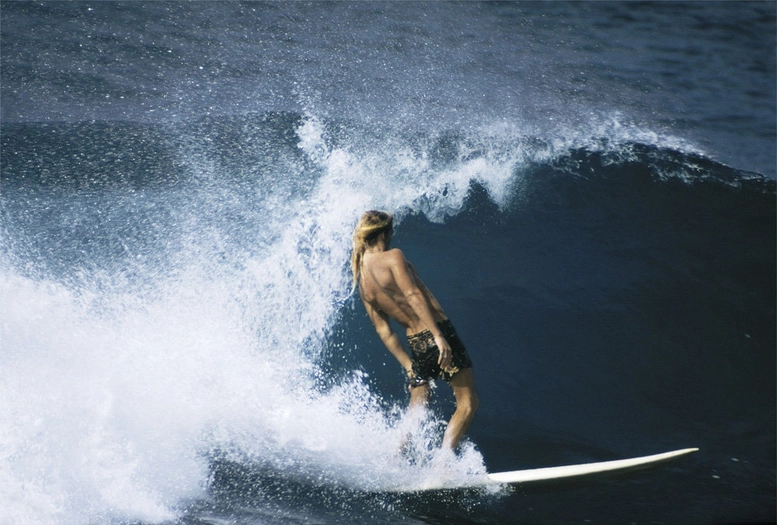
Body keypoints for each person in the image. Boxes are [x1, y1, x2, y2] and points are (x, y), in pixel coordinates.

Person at [350, 210, 478, 452]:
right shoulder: (392, 256)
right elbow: (412, 294)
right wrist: (438, 336)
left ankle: (395, 456)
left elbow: (384, 331)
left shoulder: (363, 282)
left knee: (419, 404)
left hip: (416, 344)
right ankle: (443, 463)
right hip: (437, 332)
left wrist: (409, 367)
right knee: (468, 403)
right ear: (383, 233)